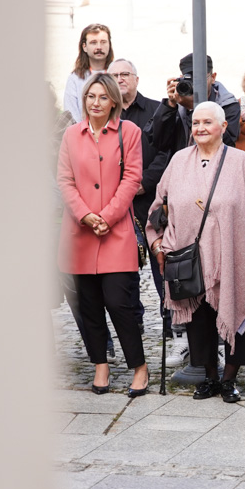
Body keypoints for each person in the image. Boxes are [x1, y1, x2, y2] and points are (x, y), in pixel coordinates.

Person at [146, 102, 245, 403]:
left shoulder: (240, 162)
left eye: (207, 122)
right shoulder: (179, 160)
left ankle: (229, 379)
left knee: (237, 312)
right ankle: (210, 377)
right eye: (196, 122)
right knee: (199, 321)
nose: (200, 128)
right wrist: (159, 242)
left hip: (233, 255)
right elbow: (159, 206)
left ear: (223, 127)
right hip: (191, 259)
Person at [57, 73, 149, 396]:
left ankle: (139, 366)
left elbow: (132, 178)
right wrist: (85, 215)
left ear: (114, 101)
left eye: (102, 97)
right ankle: (100, 365)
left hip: (116, 232)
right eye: (90, 97)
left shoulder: (130, 132)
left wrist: (106, 217)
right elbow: (65, 181)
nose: (95, 103)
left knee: (119, 302)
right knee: (89, 305)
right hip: (79, 233)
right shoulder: (71, 135)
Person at [108, 58, 172, 353]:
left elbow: (166, 151)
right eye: (114, 75)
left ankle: (173, 324)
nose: (120, 79)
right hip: (114, 204)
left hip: (150, 199)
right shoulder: (103, 112)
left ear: (136, 78)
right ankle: (132, 322)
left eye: (125, 74)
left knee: (162, 265)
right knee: (124, 267)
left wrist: (140, 183)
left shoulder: (155, 110)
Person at [149, 53, 241, 155]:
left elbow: (226, 143)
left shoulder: (227, 104)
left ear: (213, 77)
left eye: (200, 79)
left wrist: (193, 108)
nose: (196, 84)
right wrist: (169, 105)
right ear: (181, 78)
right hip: (182, 165)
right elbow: (158, 142)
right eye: (190, 79)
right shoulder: (178, 102)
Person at [64, 23, 113, 122]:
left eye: (103, 42)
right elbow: (71, 114)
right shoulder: (75, 79)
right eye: (93, 42)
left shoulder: (117, 75)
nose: (99, 47)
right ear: (84, 46)